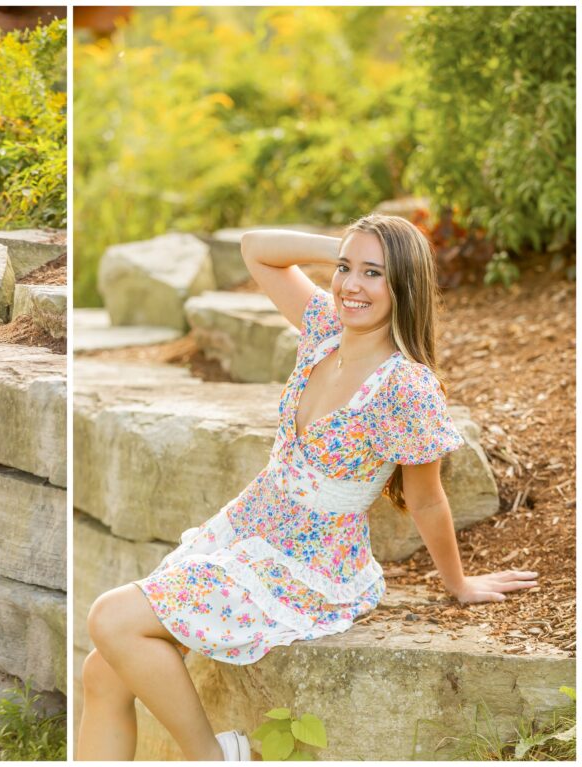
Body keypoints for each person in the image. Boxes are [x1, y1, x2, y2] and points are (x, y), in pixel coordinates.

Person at [77, 214, 540, 761]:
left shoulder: (406, 386)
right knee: (102, 672)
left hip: (308, 564)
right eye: (346, 268)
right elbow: (256, 248)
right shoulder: (325, 328)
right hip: (248, 528)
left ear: (405, 285)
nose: (350, 285)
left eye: (374, 273)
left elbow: (426, 497)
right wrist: (344, 247)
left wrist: (458, 583)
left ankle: (214, 756)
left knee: (110, 618)